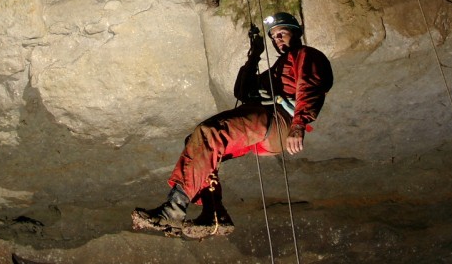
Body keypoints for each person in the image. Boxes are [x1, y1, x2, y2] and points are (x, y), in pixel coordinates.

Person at [132, 12, 333, 239]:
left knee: (211, 133)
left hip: (279, 121)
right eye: (274, 37)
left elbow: (309, 87)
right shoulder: (279, 66)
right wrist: (254, 56)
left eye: (282, 33)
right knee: (198, 143)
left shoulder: (306, 55)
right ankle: (215, 214)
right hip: (263, 124)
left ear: (296, 32)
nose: (278, 40)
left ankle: (173, 210)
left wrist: (299, 125)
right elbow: (242, 91)